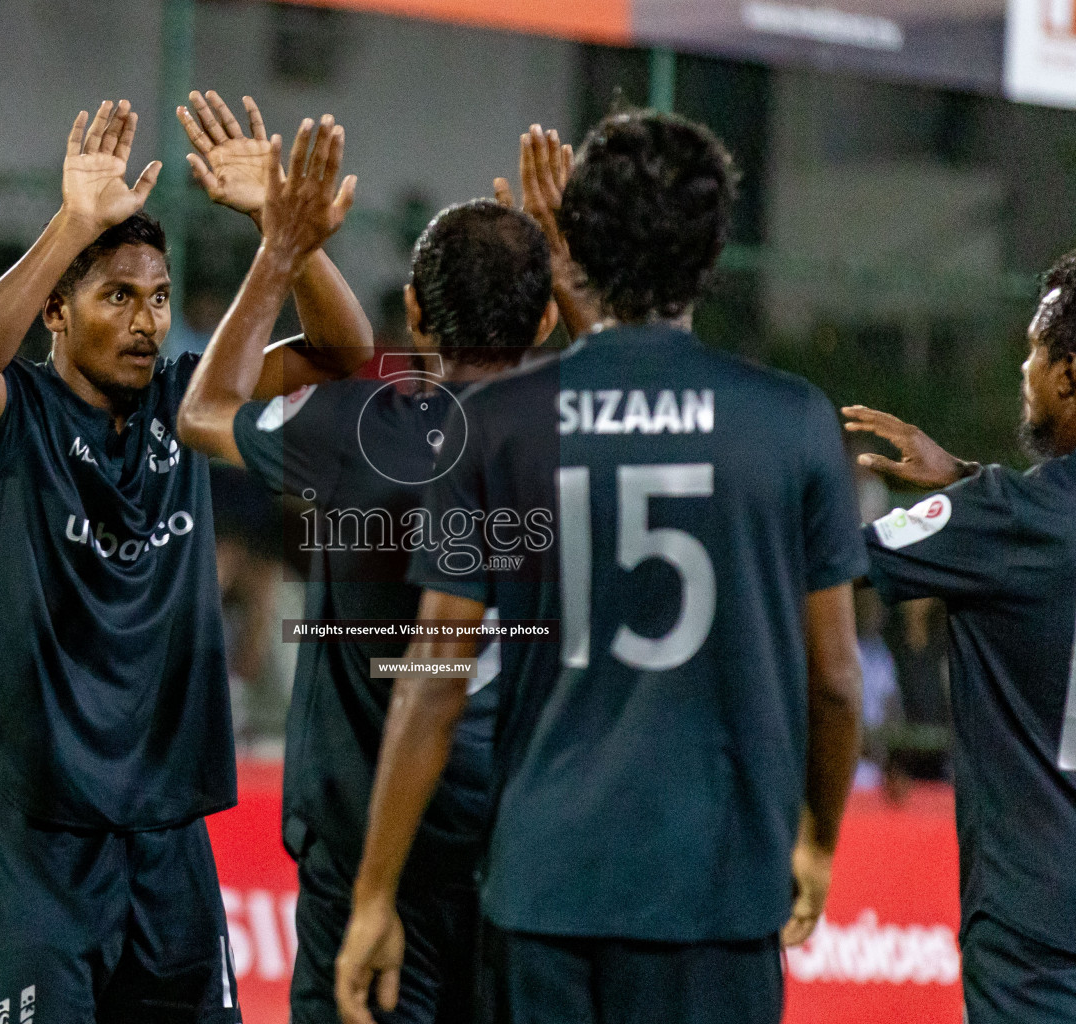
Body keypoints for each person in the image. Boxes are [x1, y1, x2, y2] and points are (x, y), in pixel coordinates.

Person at [335, 110, 867, 1024]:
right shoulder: (794, 422)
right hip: (722, 890)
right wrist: (817, 839)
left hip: (549, 887)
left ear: (571, 244)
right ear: (714, 250)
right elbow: (838, 683)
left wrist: (374, 894)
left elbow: (432, 683)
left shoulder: (497, 425)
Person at [0, 98, 371, 1023]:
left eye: (159, 298)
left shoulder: (185, 400)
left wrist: (280, 233)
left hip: (163, 821)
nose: (146, 321)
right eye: (118, 296)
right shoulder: (19, 418)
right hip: (38, 824)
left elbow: (343, 353)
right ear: (58, 307)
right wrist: (72, 225)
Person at [174, 92, 573, 1023]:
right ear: (547, 319)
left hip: (369, 849)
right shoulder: (585, 436)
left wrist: (282, 245)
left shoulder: (362, 426)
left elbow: (203, 410)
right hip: (524, 851)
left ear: (415, 314)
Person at [844, 248, 1076, 1024]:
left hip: (1041, 919)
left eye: (1035, 351)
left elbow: (832, 562)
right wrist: (969, 482)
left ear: (1070, 375)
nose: (1023, 370)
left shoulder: (1009, 516)